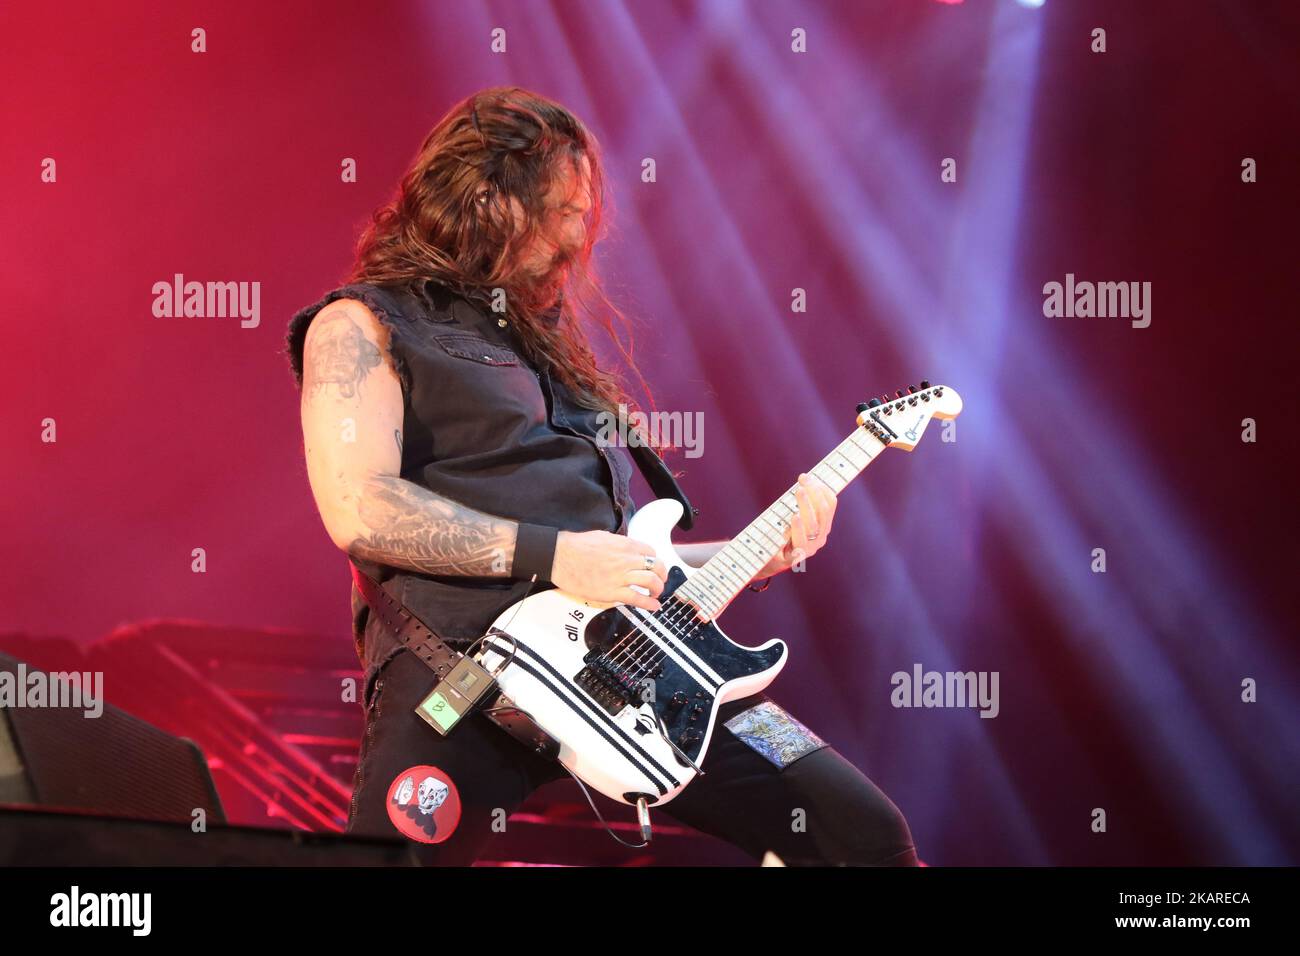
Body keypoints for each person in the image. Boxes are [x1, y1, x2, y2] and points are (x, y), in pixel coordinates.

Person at [285, 86, 918, 866]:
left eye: (580, 212)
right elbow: (360, 508)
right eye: (558, 209)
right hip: (469, 673)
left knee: (862, 830)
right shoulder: (361, 324)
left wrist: (756, 551)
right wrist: (554, 556)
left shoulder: (550, 349)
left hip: (642, 670)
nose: (574, 235)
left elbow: (622, 556)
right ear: (483, 198)